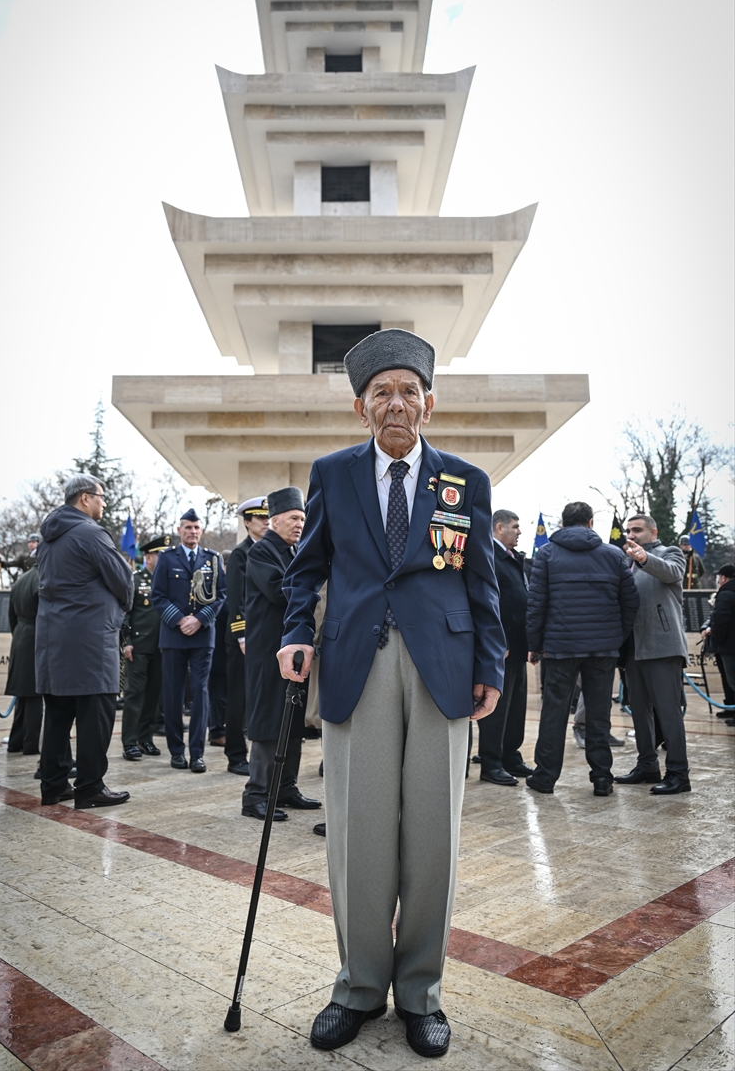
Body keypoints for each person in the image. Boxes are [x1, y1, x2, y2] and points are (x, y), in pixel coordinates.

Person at [279, 329, 504, 1059]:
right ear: (360, 408)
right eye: (382, 393)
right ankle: (357, 988)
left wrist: (493, 665)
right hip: (355, 663)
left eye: (409, 391)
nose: (396, 403)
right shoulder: (333, 475)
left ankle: (421, 993)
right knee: (359, 832)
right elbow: (306, 568)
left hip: (442, 664)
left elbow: (482, 584)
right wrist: (293, 632)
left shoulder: (463, 481)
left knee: (433, 836)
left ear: (429, 404)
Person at [526, 501, 639, 797]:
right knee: (599, 714)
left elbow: (536, 603)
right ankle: (602, 778)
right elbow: (630, 601)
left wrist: (535, 645)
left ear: (564, 523)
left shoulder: (547, 554)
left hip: (560, 647)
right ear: (590, 522)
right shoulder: (613, 555)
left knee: (554, 712)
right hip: (604, 649)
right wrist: (617, 637)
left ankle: (545, 777)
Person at [36, 475, 134, 808]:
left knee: (59, 715)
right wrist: (122, 607)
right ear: (84, 499)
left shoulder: (50, 537)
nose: (104, 503)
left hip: (54, 639)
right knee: (97, 713)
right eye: (101, 497)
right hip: (90, 640)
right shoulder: (90, 533)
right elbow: (122, 579)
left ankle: (53, 785)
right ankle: (90, 787)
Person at [242, 487, 320, 820]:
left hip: (294, 651)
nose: (300, 524)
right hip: (268, 652)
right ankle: (256, 794)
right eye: (293, 518)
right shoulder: (261, 552)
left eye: (303, 518)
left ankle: (285, 788)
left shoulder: (294, 552)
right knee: (268, 722)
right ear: (274, 520)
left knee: (293, 721)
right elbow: (278, 592)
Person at [615, 515, 691, 794]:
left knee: (668, 712)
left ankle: (678, 773)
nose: (631, 535)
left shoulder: (668, 553)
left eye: (637, 530)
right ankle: (647, 765)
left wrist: (645, 558)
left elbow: (673, 572)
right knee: (639, 710)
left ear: (653, 531)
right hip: (633, 647)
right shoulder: (627, 563)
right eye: (629, 531)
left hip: (662, 646)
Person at [150, 508, 227, 773]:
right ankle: (176, 751)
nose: (192, 532)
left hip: (203, 636)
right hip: (173, 635)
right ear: (179, 530)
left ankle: (197, 753)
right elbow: (157, 596)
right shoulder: (166, 558)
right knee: (173, 694)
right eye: (187, 527)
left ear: (201, 530)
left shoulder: (213, 559)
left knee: (201, 693)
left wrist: (200, 619)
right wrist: (181, 619)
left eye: (196, 528)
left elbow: (221, 595)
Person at [477, 509, 534, 784]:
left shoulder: (514, 559)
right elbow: (489, 604)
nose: (519, 531)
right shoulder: (490, 557)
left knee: (515, 707)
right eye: (515, 526)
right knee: (497, 709)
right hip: (501, 647)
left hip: (519, 647)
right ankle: (491, 762)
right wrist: (498, 642)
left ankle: (511, 756)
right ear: (499, 528)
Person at [223, 497, 269, 776]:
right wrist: (242, 636)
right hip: (243, 637)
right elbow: (236, 598)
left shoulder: (267, 550)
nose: (265, 522)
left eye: (268, 517)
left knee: (256, 698)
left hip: (262, 636)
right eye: (260, 518)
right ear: (247, 522)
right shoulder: (242, 553)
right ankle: (235, 755)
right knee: (238, 698)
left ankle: (251, 754)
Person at [120, 533, 171, 761]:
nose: (164, 558)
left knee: (153, 695)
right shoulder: (135, 579)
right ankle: (130, 742)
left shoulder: (167, 580)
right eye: (160, 554)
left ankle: (145, 738)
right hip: (138, 646)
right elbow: (124, 612)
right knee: (134, 695)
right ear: (149, 557)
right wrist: (127, 642)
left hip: (161, 646)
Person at [5, 565, 42, 755]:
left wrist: (19, 633)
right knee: (35, 696)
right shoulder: (43, 579)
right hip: (36, 638)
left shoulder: (20, 580)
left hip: (20, 636)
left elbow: (11, 615)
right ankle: (30, 745)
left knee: (22, 697)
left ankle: (15, 742)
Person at [703, 564, 735, 726]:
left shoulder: (725, 595)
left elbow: (720, 620)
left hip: (728, 647)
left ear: (723, 578)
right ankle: (730, 707)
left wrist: (716, 640)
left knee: (732, 680)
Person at [207, 549, 232, 748]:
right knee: (218, 694)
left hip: (225, 650)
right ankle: (216, 731)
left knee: (222, 693)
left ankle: (220, 728)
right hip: (218, 651)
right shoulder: (220, 587)